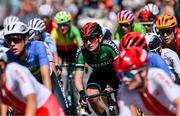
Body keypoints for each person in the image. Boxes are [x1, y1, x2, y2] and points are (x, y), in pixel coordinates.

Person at [113, 47, 180, 115]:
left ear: (143, 72)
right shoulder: (123, 90)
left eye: (128, 75)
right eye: (120, 75)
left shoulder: (156, 75)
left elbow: (178, 103)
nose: (124, 80)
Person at [0, 49, 65, 115]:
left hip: (44, 105)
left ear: (2, 65)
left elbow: (31, 100)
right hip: (24, 107)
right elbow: (3, 105)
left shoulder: (14, 70)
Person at [74, 22, 119, 115]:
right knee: (91, 95)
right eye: (85, 40)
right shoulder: (82, 52)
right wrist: (82, 94)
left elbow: (121, 69)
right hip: (98, 74)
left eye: (91, 39)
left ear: (100, 38)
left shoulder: (109, 46)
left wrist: (111, 84)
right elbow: (78, 79)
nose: (88, 43)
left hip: (116, 73)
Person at [3, 21, 52, 90]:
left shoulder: (38, 47)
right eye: (8, 40)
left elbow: (46, 77)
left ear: (26, 40)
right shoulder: (7, 57)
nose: (12, 44)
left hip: (43, 78)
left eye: (16, 39)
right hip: (27, 85)